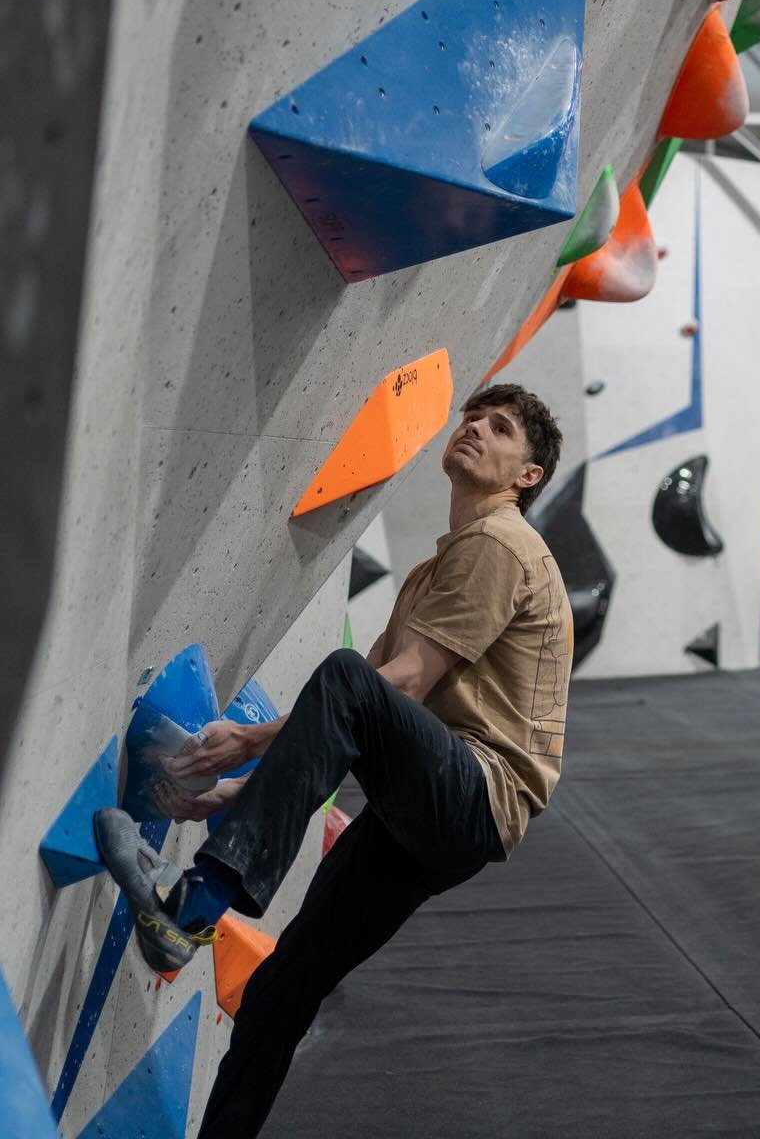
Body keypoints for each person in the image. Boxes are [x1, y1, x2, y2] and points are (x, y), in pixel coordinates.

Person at [95, 382, 573, 1138]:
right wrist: (235, 792)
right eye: (471, 415)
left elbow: (396, 686)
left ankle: (189, 911)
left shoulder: (501, 542)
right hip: (428, 815)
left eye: (501, 425)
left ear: (528, 475)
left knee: (347, 674)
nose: (474, 426)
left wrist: (251, 740)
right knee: (282, 988)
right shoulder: (433, 569)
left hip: (475, 791)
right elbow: (348, 732)